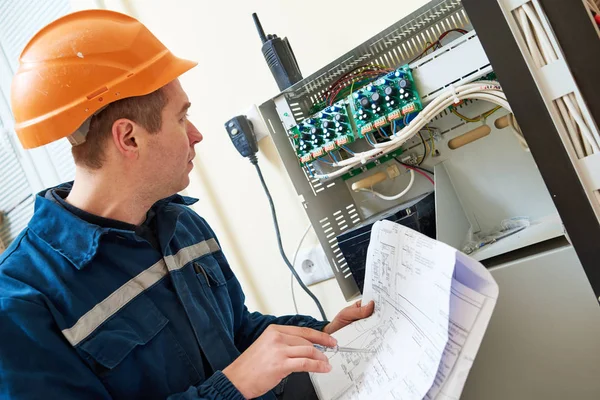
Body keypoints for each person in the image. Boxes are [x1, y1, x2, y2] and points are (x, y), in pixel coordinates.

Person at [0, 9, 374, 400]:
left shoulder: (181, 224)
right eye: (182, 118)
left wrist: (324, 334)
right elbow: (239, 374)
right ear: (128, 138)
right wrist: (231, 388)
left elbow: (238, 333)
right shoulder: (21, 304)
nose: (196, 135)